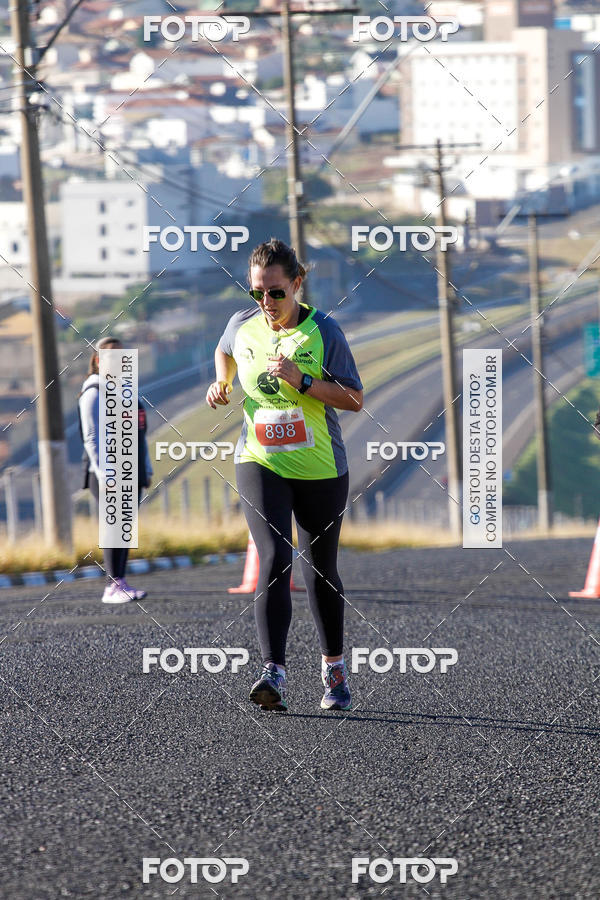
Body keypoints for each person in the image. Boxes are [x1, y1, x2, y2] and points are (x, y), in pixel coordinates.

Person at [206, 238, 363, 711]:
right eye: (257, 292)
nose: (266, 302)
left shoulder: (325, 332)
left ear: (297, 284)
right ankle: (272, 673)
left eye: (276, 292)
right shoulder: (243, 325)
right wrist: (223, 381)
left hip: (320, 468)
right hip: (260, 460)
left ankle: (333, 670)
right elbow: (225, 350)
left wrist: (304, 381)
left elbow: (355, 398)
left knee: (321, 569)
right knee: (274, 556)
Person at [78, 336, 153, 604]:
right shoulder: (94, 392)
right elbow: (92, 438)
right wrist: (104, 474)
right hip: (109, 472)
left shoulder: (126, 391)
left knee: (125, 527)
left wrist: (145, 466)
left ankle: (120, 582)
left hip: (132, 468)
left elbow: (140, 433)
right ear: (98, 361)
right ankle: (112, 585)